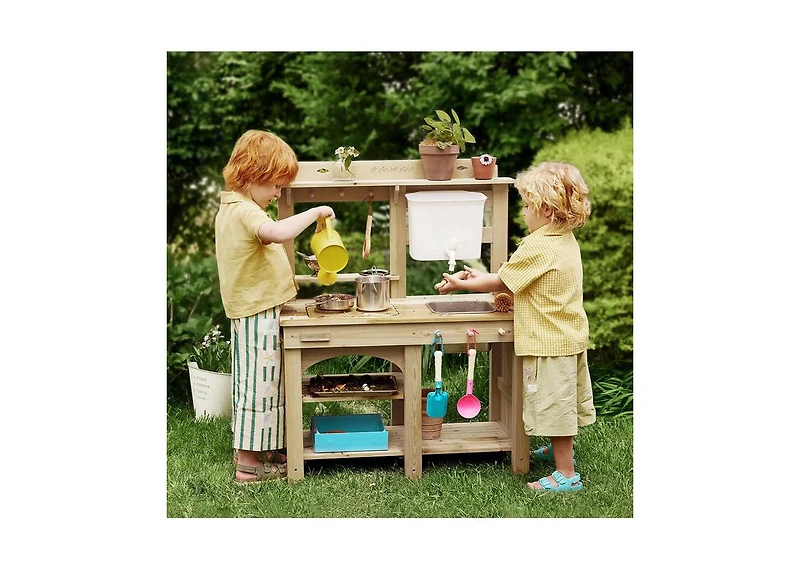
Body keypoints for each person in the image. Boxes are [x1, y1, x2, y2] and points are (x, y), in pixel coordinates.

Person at [435, 161, 595, 492]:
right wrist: (483, 279)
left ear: (547, 209)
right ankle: (559, 450)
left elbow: (502, 281)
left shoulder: (539, 244)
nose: (522, 212)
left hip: (550, 342)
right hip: (567, 336)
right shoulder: (562, 239)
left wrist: (462, 284)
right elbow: (511, 279)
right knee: (561, 401)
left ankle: (566, 475)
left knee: (554, 405)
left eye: (526, 205)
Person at [216, 129, 336, 483]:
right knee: (260, 386)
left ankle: (264, 447)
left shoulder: (237, 208)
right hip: (256, 314)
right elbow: (278, 234)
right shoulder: (243, 211)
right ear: (253, 176)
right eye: (275, 186)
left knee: (268, 382)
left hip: (258, 310)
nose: (277, 194)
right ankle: (249, 464)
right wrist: (315, 212)